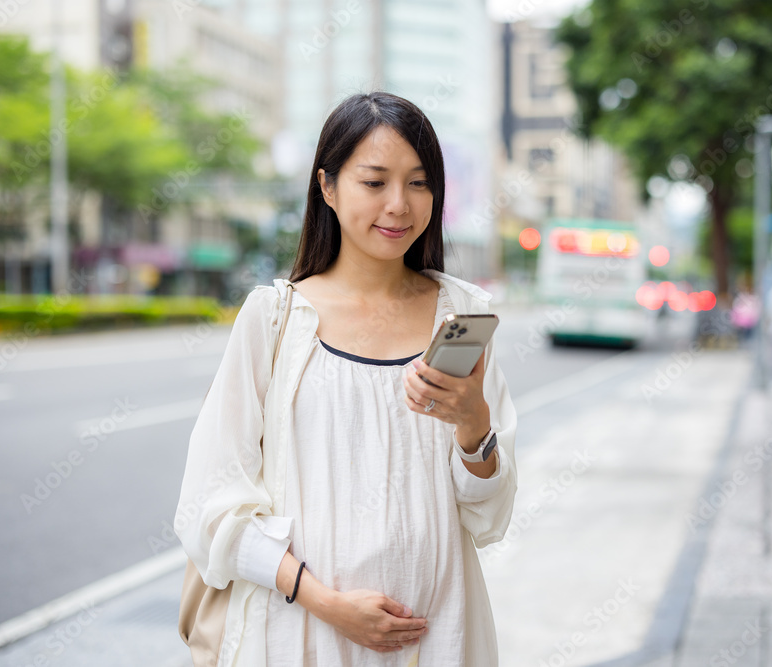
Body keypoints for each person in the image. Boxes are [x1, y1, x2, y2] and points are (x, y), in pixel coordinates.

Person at [174, 92, 518, 666]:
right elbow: (210, 504)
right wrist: (327, 602)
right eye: (374, 181)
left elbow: (488, 516)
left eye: (418, 183)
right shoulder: (276, 319)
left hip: (436, 635)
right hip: (299, 635)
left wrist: (473, 423)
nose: (399, 205)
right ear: (327, 188)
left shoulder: (460, 315)